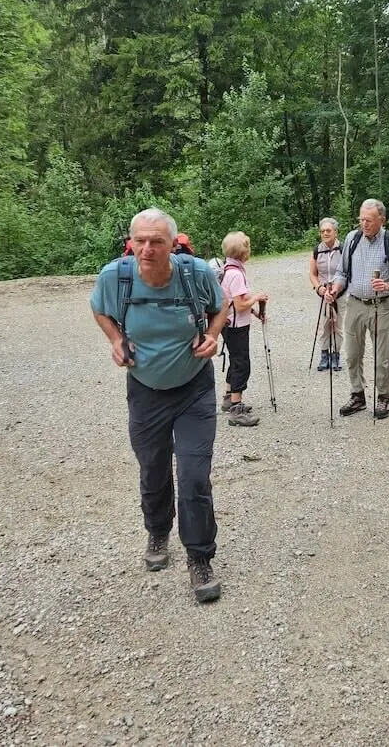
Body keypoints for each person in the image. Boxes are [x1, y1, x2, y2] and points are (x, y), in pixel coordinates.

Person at [90, 207, 228, 603]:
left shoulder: (194, 273)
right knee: (152, 468)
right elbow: (99, 309)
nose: (147, 249)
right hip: (145, 390)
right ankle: (157, 530)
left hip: (193, 389)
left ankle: (199, 557)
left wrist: (213, 335)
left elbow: (221, 306)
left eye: (157, 242)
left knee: (194, 475)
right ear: (131, 243)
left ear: (172, 244)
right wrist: (116, 340)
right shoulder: (115, 277)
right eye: (140, 241)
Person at [324, 199, 389, 419]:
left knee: (381, 356)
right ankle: (358, 395)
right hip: (355, 303)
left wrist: (388, 285)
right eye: (361, 219)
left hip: (382, 305)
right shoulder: (352, 238)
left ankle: (384, 396)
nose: (364, 224)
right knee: (352, 354)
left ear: (382, 220)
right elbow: (342, 273)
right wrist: (334, 289)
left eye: (369, 220)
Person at [218, 231, 267, 427]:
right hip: (236, 325)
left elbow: (236, 301)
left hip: (228, 323)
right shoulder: (236, 274)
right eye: (248, 247)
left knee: (235, 360)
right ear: (242, 251)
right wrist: (257, 298)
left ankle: (229, 397)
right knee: (241, 364)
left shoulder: (227, 269)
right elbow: (239, 305)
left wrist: (255, 313)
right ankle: (236, 409)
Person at [308, 218, 344, 372]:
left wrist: (336, 289)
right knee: (324, 325)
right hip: (323, 293)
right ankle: (324, 355)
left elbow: (347, 272)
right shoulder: (317, 250)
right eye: (322, 231)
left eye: (328, 230)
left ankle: (336, 355)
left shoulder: (343, 249)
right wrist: (319, 288)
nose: (325, 233)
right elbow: (312, 273)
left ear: (336, 232)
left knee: (337, 325)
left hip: (340, 293)